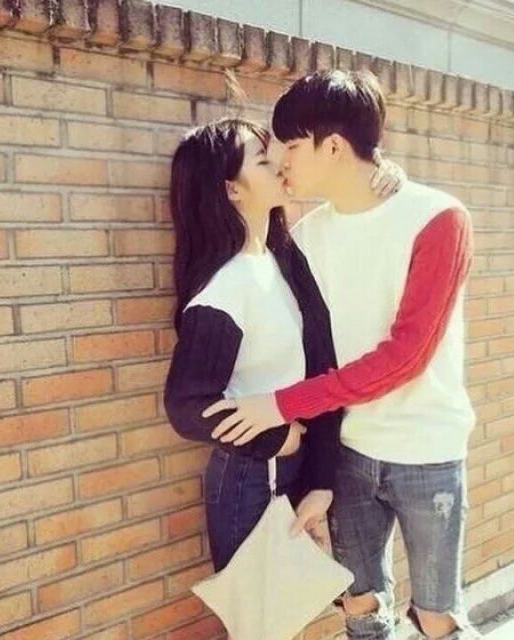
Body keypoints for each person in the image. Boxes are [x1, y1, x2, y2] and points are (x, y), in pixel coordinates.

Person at [204, 71, 482, 640]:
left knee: (437, 619)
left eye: (291, 145)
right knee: (360, 608)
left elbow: (405, 356)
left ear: (332, 147)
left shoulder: (439, 219)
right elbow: (312, 352)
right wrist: (319, 473)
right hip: (349, 453)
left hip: (427, 450)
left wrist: (280, 404)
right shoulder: (306, 237)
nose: (281, 159)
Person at [163, 117, 403, 576]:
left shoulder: (283, 257)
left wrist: (319, 480)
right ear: (232, 189)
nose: (278, 164)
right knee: (258, 612)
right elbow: (186, 406)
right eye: (261, 159)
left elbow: (322, 369)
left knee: (291, 607)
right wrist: (277, 436)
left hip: (291, 472)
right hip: (250, 479)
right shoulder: (225, 287)